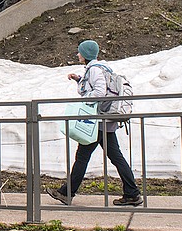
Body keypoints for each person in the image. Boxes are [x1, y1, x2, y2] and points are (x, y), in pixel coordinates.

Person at [47, 40, 143, 207]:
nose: (77, 55)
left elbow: (99, 91)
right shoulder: (101, 68)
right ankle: (132, 193)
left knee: (83, 157)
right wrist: (79, 80)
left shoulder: (94, 70)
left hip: (98, 121)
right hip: (104, 120)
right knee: (114, 157)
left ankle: (66, 193)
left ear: (85, 55)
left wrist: (84, 101)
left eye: (79, 52)